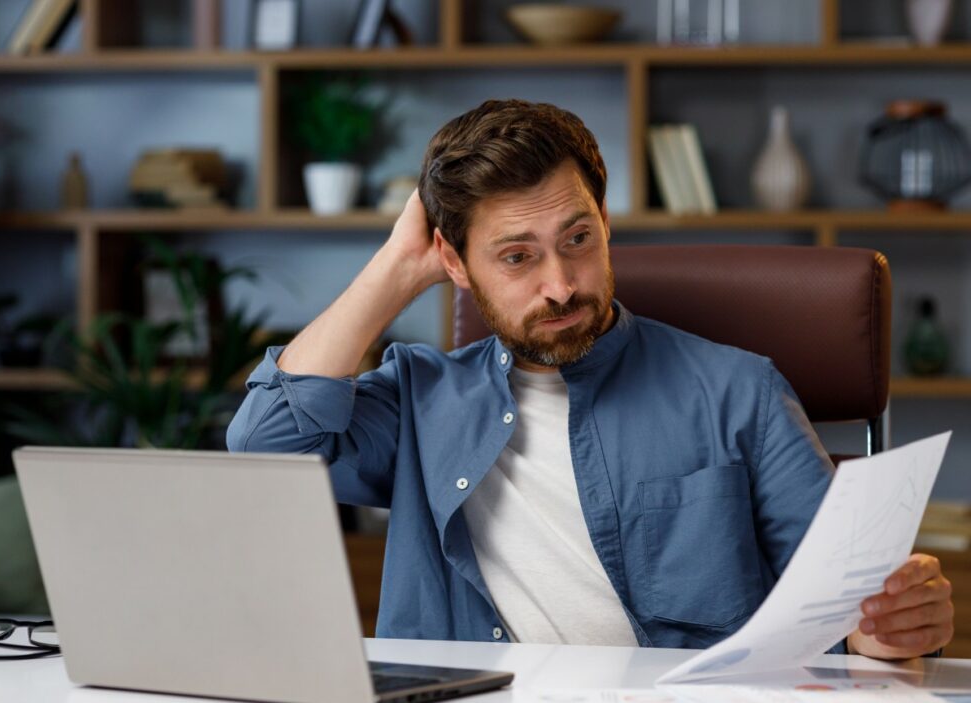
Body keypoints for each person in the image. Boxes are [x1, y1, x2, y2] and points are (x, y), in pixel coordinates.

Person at [227, 99, 953, 658]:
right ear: (456, 263)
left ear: (605, 221)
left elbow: (842, 619)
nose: (559, 285)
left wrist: (887, 630)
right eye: (516, 257)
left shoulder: (742, 393)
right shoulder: (419, 397)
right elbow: (265, 444)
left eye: (577, 239)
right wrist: (396, 268)